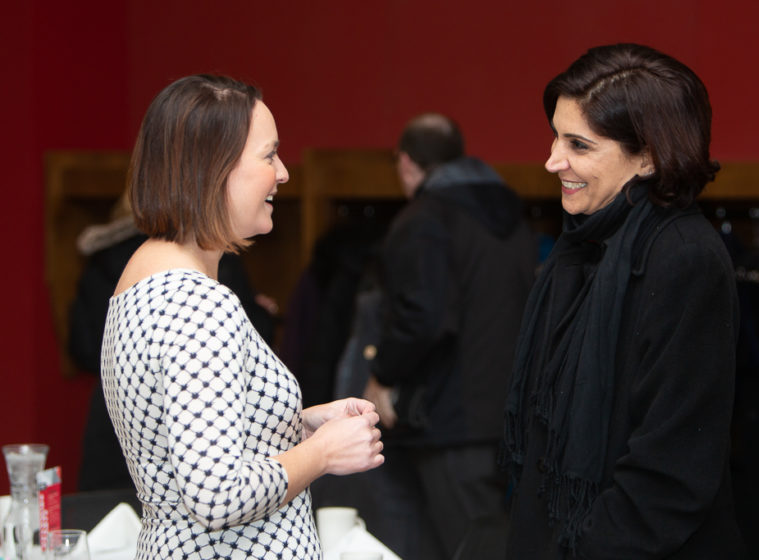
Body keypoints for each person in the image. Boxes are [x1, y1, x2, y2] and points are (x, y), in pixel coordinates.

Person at [100, 74, 384, 559]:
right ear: (215, 168)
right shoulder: (195, 302)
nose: (283, 173)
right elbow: (217, 494)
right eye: (269, 155)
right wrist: (322, 454)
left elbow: (188, 442)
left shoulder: (145, 277)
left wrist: (301, 425)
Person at [500, 43, 743, 559]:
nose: (552, 161)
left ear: (650, 156)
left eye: (579, 145)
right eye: (554, 137)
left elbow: (670, 470)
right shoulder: (582, 245)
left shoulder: (684, 258)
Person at [363, 113, 536, 559]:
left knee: (458, 547)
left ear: (405, 161)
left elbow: (423, 317)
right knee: (490, 541)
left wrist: (381, 374)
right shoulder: (514, 218)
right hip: (510, 417)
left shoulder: (424, 218)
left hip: (448, 417)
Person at [69, 190, 278, 492]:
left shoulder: (101, 261)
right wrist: (260, 314)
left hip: (114, 414)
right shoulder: (199, 261)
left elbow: (82, 347)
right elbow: (218, 495)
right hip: (199, 426)